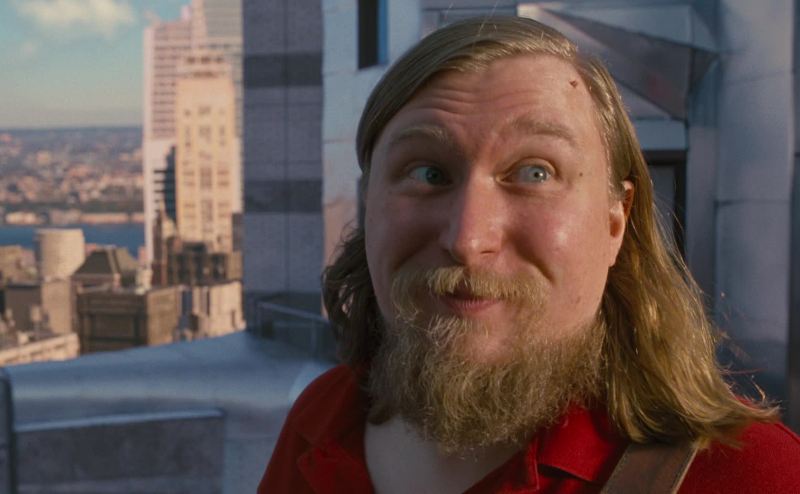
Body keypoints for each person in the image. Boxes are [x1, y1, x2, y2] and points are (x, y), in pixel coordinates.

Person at [258, 16, 800, 493]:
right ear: (368, 205)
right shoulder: (323, 419)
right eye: (428, 173)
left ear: (617, 221)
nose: (468, 239)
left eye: (536, 173)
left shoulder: (756, 478)